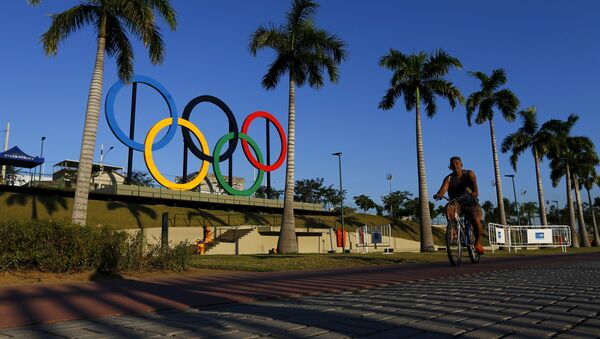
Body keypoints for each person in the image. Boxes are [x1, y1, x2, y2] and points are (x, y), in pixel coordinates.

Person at [433, 156, 485, 254]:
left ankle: (477, 243)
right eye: (452, 164)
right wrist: (439, 195)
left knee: (476, 219)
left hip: (470, 202)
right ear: (450, 167)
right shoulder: (448, 178)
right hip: (457, 203)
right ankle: (454, 228)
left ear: (461, 164)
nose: (455, 165)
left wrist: (475, 192)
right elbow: (443, 189)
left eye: (457, 163)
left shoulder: (469, 174)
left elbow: (475, 186)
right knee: (450, 206)